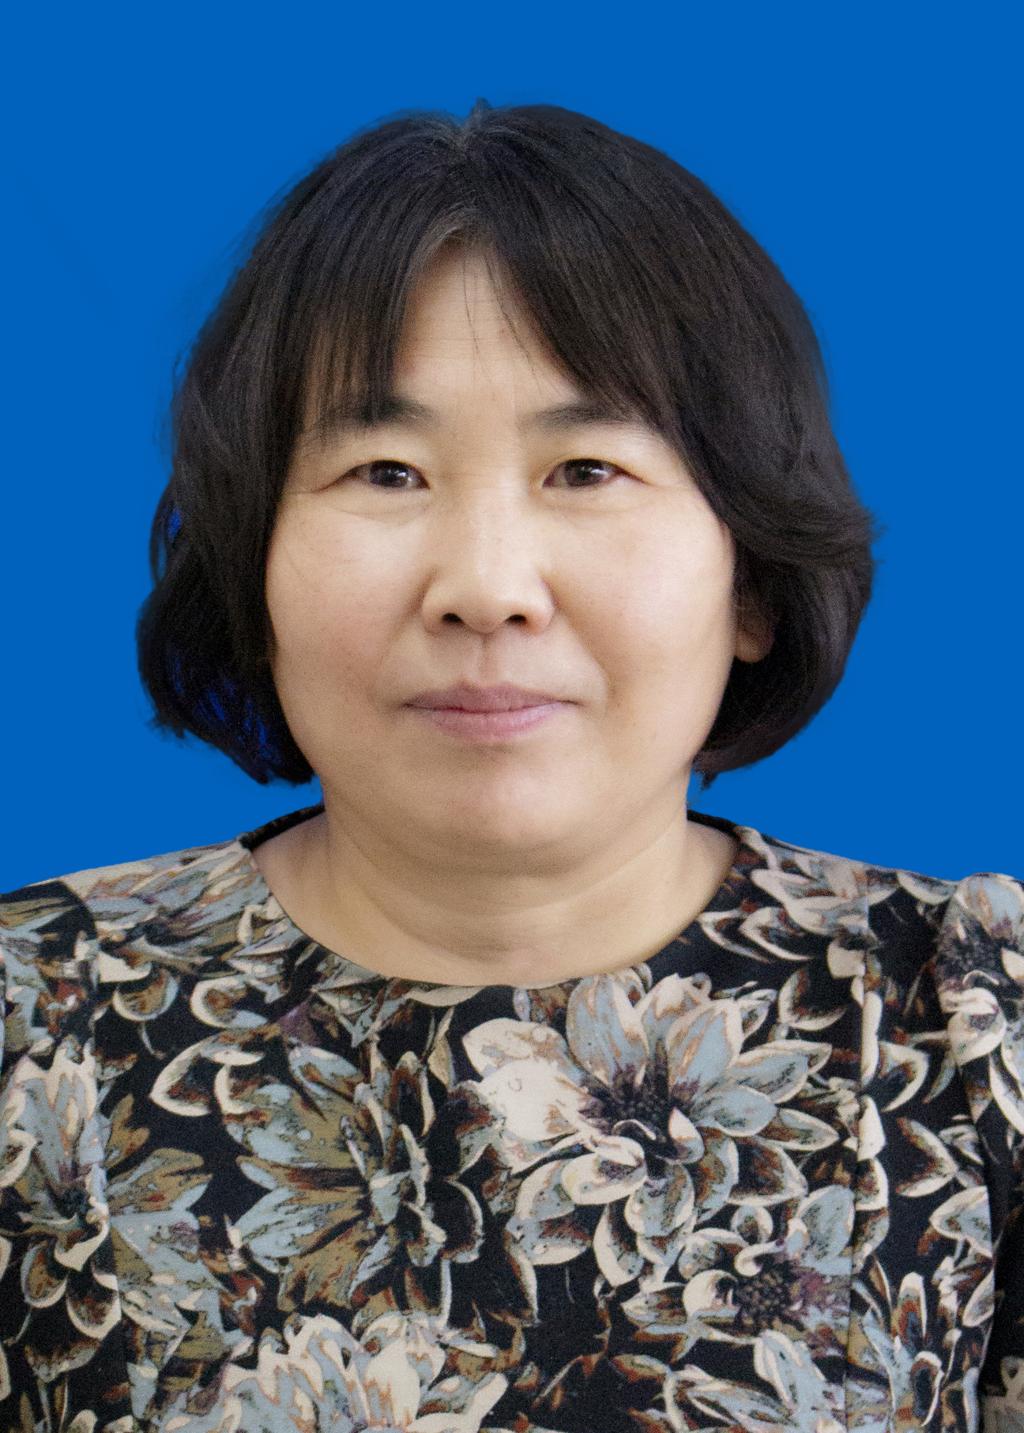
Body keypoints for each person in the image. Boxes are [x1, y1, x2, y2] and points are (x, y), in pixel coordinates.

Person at [0, 98, 1020, 1433]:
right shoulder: (32, 1025)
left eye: (586, 468)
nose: (486, 587)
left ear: (753, 578)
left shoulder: (969, 1022)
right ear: (253, 567)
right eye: (385, 471)